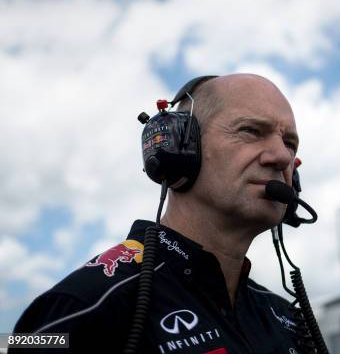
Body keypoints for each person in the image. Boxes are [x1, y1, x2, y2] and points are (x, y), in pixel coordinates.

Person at [11, 74, 308, 353]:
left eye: (289, 143)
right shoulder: (80, 304)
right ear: (179, 148)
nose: (282, 156)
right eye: (251, 131)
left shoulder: (287, 318)